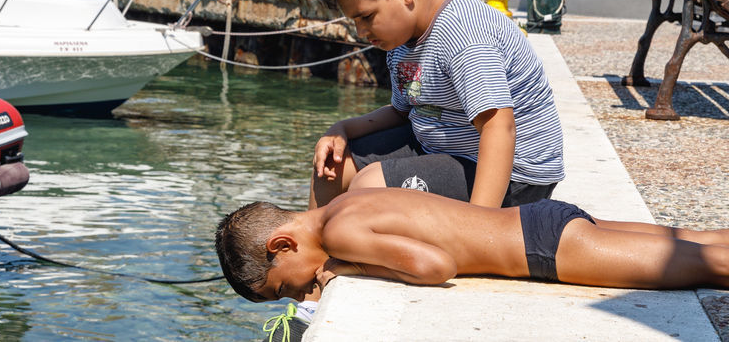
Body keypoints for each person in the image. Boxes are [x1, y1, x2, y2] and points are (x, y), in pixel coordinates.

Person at [311, 0, 563, 209]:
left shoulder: (463, 35)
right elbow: (401, 111)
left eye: (367, 17)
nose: (360, 31)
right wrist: (341, 129)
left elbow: (498, 128)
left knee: (369, 188)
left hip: (514, 174)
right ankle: (311, 252)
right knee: (331, 165)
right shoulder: (398, 37)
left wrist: (478, 225)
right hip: (440, 146)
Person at [215, 189, 729, 303]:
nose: (305, 296)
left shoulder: (337, 237)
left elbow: (437, 266)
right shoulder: (347, 201)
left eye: (290, 286)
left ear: (282, 245)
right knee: (700, 242)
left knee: (710, 265)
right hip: (538, 218)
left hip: (544, 249)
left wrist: (343, 272)